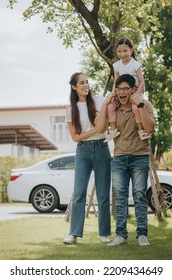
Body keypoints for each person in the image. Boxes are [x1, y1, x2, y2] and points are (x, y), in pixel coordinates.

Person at [95, 74, 155, 246]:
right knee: (120, 197)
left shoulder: (145, 104)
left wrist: (140, 105)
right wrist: (106, 103)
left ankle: (142, 234)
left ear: (133, 90)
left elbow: (150, 129)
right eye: (119, 89)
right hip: (120, 158)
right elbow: (99, 128)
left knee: (139, 195)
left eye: (125, 89)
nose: (121, 92)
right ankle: (120, 235)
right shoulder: (112, 108)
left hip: (140, 156)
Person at [63, 72, 112, 245]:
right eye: (81, 82)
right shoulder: (71, 109)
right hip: (82, 152)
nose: (85, 85)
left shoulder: (99, 100)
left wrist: (101, 128)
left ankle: (104, 233)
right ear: (74, 87)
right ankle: (74, 234)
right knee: (79, 193)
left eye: (87, 82)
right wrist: (96, 129)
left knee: (103, 194)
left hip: (102, 149)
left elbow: (107, 123)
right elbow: (76, 137)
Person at [105, 38, 150, 142]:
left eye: (125, 51)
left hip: (135, 90)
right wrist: (114, 92)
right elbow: (116, 81)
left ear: (131, 50)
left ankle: (141, 130)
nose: (122, 54)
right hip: (121, 91)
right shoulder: (116, 65)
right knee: (110, 106)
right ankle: (113, 129)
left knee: (135, 108)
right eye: (119, 51)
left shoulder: (136, 65)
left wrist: (137, 94)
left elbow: (142, 81)